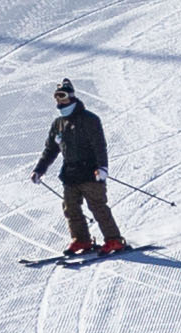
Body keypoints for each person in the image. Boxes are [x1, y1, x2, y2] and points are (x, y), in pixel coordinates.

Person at [30, 78, 130, 256]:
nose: (59, 100)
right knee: (70, 208)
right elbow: (50, 149)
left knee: (98, 206)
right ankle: (81, 239)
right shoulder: (58, 124)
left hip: (90, 172)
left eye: (62, 95)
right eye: (56, 97)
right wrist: (39, 169)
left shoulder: (89, 119)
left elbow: (99, 145)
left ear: (71, 96)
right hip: (70, 174)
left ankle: (114, 239)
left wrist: (102, 167)